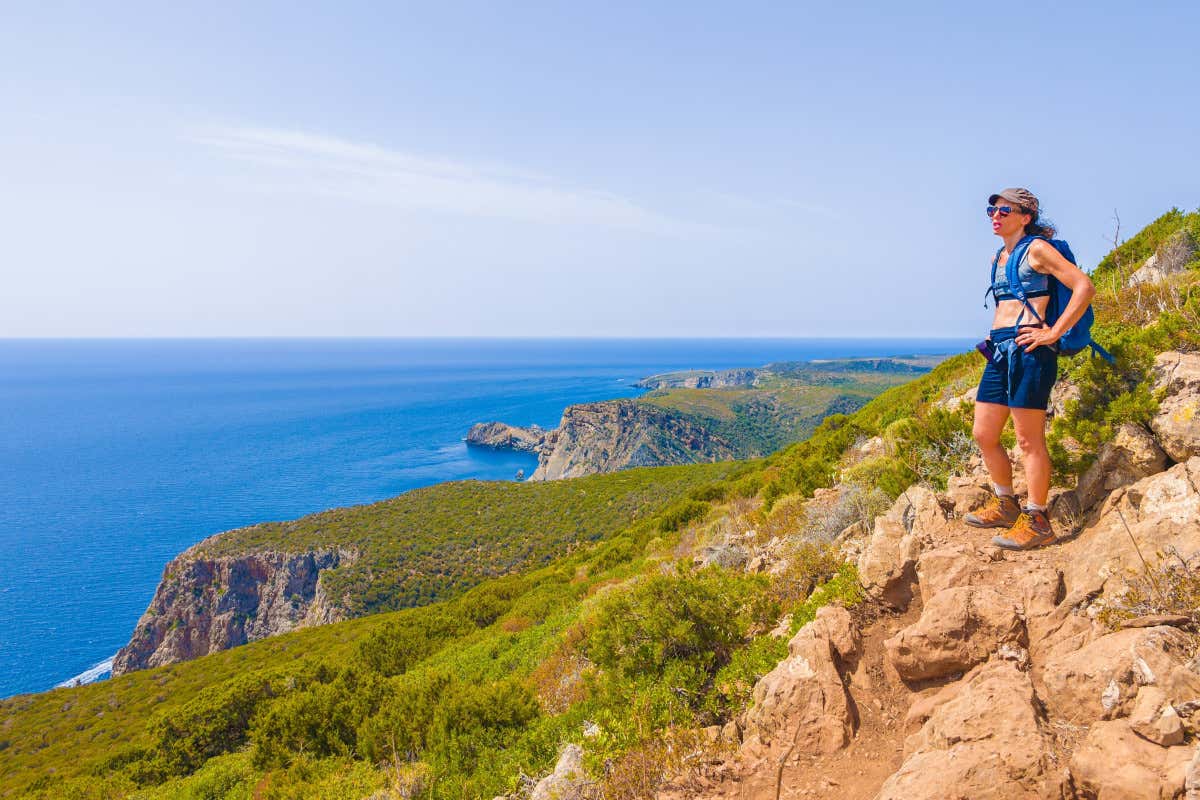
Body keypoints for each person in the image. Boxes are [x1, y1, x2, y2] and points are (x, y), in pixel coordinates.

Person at [964, 187, 1096, 550]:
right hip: (1000, 351)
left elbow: (1084, 286)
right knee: (984, 433)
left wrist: (1053, 332)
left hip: (1030, 353)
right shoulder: (999, 255)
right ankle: (1006, 504)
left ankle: (1037, 519)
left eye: (1004, 210)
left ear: (1026, 216)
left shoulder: (1037, 249)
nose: (996, 215)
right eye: (991, 209)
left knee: (1028, 440)